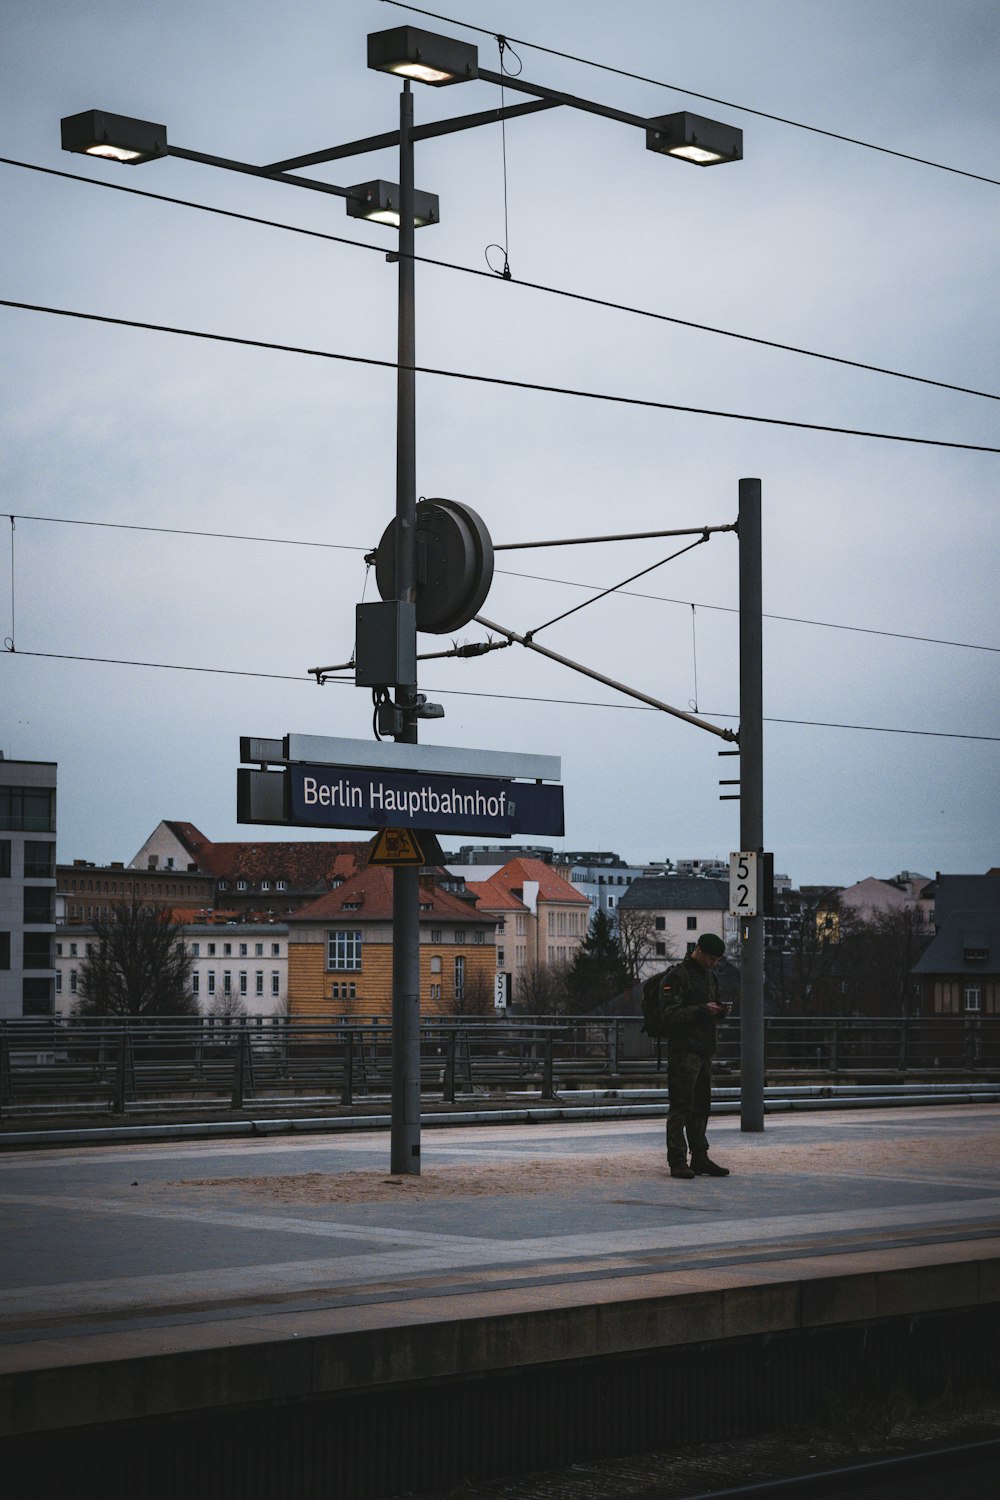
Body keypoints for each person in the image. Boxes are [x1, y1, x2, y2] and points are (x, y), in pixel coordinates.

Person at [657, 933, 731, 1179]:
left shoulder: (710, 977)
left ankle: (700, 1156)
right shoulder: (676, 977)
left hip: (703, 1050)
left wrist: (719, 1011)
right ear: (697, 950)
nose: (713, 963)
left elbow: (706, 1009)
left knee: (701, 1107)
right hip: (683, 1052)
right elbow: (669, 1014)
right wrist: (703, 1010)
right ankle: (677, 1160)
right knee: (681, 1107)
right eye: (710, 958)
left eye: (716, 960)